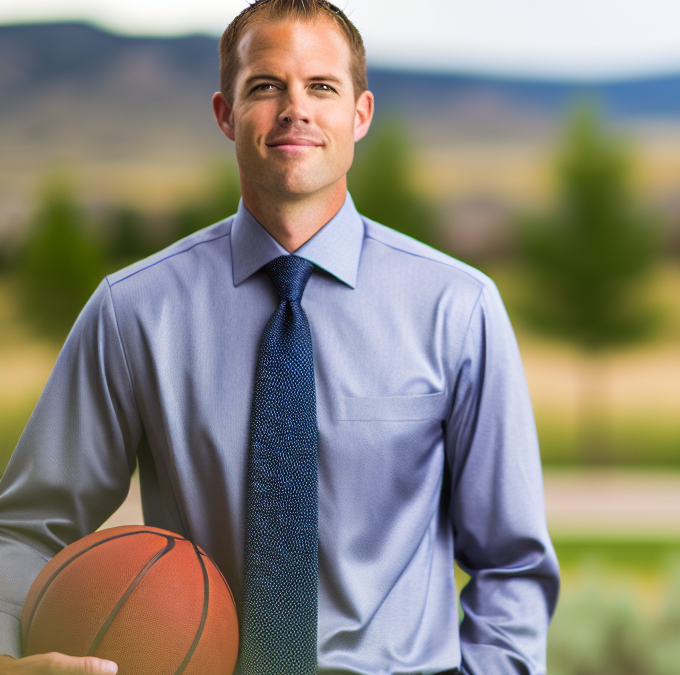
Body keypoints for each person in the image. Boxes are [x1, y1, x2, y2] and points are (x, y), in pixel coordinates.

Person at [0, 1, 559, 674]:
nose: (296, 108)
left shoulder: (457, 308)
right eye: (266, 86)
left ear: (360, 114)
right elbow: (29, 527)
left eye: (322, 87)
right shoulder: (134, 311)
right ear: (225, 113)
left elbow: (512, 561)